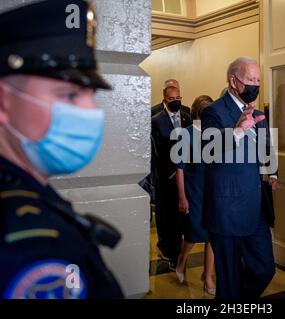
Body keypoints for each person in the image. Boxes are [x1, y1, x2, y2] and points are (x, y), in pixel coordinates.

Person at [0, 0, 123, 298]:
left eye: (90, 95)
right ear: (4, 102)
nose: (91, 111)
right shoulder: (32, 245)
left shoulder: (24, 192)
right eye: (69, 94)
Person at [201, 57, 278, 299]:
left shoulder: (257, 113)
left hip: (255, 207)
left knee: (265, 269)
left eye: (258, 80)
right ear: (234, 81)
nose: (255, 85)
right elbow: (208, 151)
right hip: (226, 209)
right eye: (250, 80)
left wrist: (272, 170)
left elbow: (264, 148)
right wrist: (237, 131)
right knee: (229, 281)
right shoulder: (214, 111)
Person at [174, 95, 216, 296]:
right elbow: (179, 169)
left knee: (213, 236)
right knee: (193, 233)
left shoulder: (216, 134)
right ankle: (182, 260)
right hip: (194, 191)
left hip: (214, 192)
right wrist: (182, 197)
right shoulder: (185, 134)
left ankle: (207, 276)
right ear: (197, 113)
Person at [152, 85, 192, 269]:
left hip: (184, 174)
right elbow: (156, 152)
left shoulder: (186, 115)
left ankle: (177, 253)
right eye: (172, 98)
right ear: (165, 100)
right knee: (168, 216)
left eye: (179, 97)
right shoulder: (156, 120)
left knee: (180, 217)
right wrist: (171, 171)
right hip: (166, 176)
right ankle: (171, 252)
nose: (176, 100)